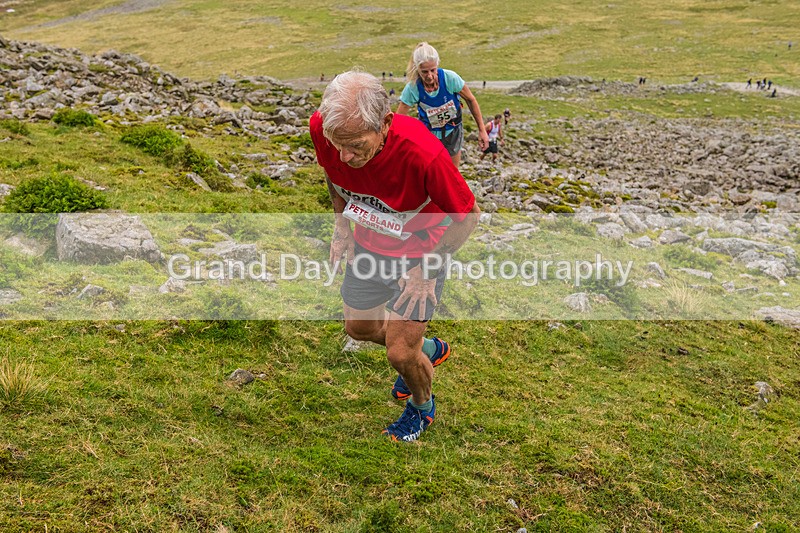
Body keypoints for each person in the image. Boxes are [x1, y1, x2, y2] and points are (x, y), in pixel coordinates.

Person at [309, 70, 480, 442]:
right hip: (370, 245)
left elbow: (468, 216)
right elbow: (333, 174)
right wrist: (341, 227)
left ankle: (421, 406)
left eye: (355, 144)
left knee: (400, 353)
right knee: (360, 328)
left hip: (422, 252)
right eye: (336, 142)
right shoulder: (328, 130)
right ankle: (429, 350)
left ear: (386, 122)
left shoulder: (425, 154)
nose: (344, 154)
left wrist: (426, 268)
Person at [396, 42, 489, 166]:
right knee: (432, 171)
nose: (429, 76)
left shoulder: (450, 78)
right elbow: (399, 120)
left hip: (453, 131)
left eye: (432, 70)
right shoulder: (413, 87)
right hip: (428, 135)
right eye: (424, 72)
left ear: (437, 65)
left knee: (452, 171)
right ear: (417, 69)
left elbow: (471, 100)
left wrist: (482, 130)